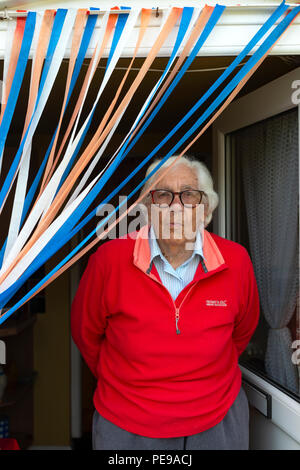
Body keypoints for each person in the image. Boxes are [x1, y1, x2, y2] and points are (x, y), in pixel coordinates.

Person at [71, 154, 260, 450]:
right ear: (147, 207)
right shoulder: (108, 260)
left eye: (188, 195)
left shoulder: (235, 260)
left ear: (205, 208)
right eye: (162, 195)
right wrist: (131, 385)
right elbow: (86, 334)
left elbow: (242, 332)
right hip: (128, 424)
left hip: (217, 420)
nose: (175, 207)